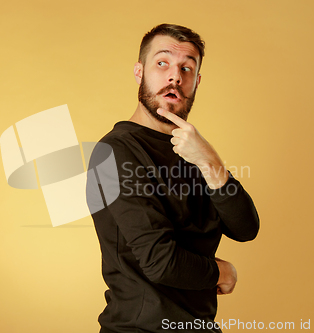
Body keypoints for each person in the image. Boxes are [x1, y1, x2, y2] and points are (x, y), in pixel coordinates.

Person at [86, 23, 260, 333]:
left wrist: (209, 160)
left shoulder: (192, 149)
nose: (174, 77)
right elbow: (159, 260)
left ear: (197, 81)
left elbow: (246, 227)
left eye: (187, 68)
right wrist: (221, 273)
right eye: (162, 63)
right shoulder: (115, 151)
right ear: (139, 72)